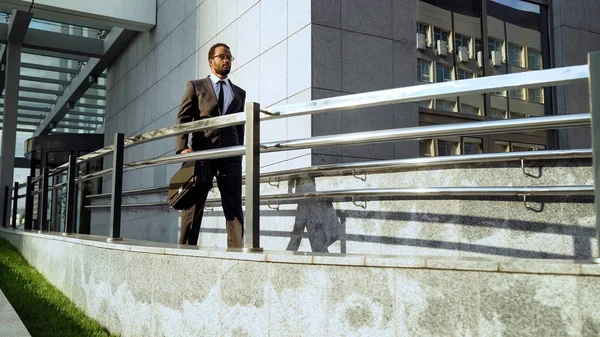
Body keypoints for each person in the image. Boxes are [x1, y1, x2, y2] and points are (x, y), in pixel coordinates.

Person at [175, 43, 246, 248]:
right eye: (222, 56)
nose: (226, 60)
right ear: (211, 60)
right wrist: (182, 147)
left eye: (230, 57)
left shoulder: (239, 93)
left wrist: (239, 151)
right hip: (202, 154)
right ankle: (186, 249)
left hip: (230, 156)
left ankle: (235, 252)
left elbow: (239, 126)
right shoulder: (196, 86)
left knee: (233, 205)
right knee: (193, 204)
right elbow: (184, 118)